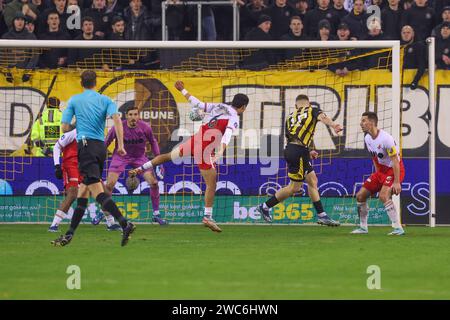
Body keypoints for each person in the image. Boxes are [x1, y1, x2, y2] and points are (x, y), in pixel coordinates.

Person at [130, 81, 249, 233]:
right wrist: (219, 152)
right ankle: (207, 216)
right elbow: (227, 135)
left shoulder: (220, 106)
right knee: (212, 183)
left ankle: (140, 169)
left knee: (167, 156)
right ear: (243, 107)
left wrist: (183, 90)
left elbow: (197, 104)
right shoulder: (234, 117)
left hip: (194, 140)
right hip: (205, 149)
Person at [52, 70, 135, 247]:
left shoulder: (74, 100)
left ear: (81, 83)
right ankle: (69, 234)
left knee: (98, 192)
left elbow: (65, 128)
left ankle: (124, 224)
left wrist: (77, 123)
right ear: (95, 82)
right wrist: (120, 145)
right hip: (100, 148)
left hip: (86, 147)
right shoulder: (105, 100)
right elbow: (117, 120)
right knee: (83, 192)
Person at [257, 94, 342, 227]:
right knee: (294, 187)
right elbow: (323, 117)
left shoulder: (290, 117)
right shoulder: (312, 110)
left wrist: (307, 152)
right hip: (299, 152)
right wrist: (334, 125)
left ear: (296, 105)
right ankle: (265, 206)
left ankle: (322, 215)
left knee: (312, 180)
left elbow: (292, 139)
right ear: (308, 104)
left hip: (295, 150)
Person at [93, 104, 168, 226]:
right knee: (110, 184)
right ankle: (103, 211)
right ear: (126, 116)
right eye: (131, 115)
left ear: (139, 116)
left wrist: (158, 160)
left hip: (139, 158)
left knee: (154, 183)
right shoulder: (118, 127)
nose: (133, 117)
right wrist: (97, 157)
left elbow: (153, 142)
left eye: (136, 114)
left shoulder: (145, 127)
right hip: (120, 157)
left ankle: (156, 214)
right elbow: (106, 142)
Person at [351, 112, 405, 235]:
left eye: (364, 121)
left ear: (372, 122)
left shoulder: (386, 139)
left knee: (383, 196)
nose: (361, 123)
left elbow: (395, 161)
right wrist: (377, 176)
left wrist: (396, 182)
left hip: (394, 169)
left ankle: (398, 228)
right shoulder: (367, 138)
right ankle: (363, 228)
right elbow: (375, 158)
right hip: (381, 171)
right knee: (360, 196)